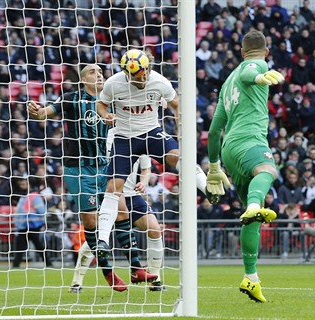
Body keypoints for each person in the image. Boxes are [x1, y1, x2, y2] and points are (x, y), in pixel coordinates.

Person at [28, 64, 145, 292]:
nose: (99, 73)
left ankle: (137, 268)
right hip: (79, 169)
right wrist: (36, 110)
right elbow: (44, 113)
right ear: (83, 80)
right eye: (93, 71)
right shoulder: (71, 98)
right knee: (90, 222)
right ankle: (108, 272)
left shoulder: (111, 98)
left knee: (122, 211)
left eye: (101, 71)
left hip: (104, 166)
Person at [94, 49, 209, 262]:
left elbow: (176, 104)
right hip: (124, 138)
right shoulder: (113, 83)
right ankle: (102, 240)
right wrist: (106, 114)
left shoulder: (160, 82)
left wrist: (181, 128)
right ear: (127, 74)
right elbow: (101, 104)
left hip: (151, 132)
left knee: (176, 156)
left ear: (149, 68)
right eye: (138, 77)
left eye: (145, 73)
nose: (143, 79)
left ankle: (207, 187)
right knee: (113, 188)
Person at [206, 29, 284, 303]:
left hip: (228, 150)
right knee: (268, 171)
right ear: (266, 50)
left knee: (253, 218)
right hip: (249, 140)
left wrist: (214, 166)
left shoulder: (226, 84)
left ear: (240, 50)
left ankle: (251, 278)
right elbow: (249, 72)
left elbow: (215, 131)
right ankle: (253, 205)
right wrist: (260, 75)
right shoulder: (256, 65)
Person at [69, 129, 163, 293]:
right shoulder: (105, 134)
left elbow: (146, 168)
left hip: (131, 194)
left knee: (154, 229)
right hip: (109, 194)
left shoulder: (141, 131)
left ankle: (155, 279)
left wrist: (144, 182)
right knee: (99, 239)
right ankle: (77, 281)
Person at [12, 183, 53, 268]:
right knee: (38, 246)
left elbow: (18, 212)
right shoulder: (35, 197)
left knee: (21, 247)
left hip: (24, 226)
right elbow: (42, 211)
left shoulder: (23, 198)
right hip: (33, 225)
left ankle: (16, 264)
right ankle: (48, 263)